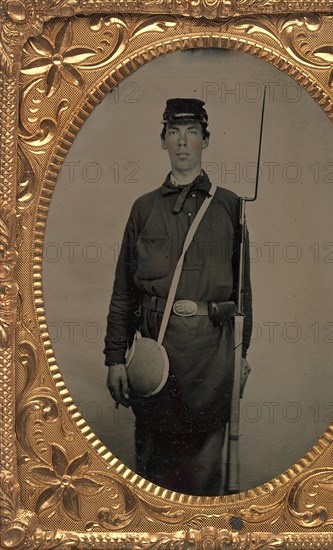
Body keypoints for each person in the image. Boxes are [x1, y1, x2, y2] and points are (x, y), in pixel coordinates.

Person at [104, 98, 252, 496]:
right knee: (153, 478)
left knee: (204, 483)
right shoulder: (143, 209)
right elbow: (123, 290)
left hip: (210, 363)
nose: (182, 142)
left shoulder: (230, 207)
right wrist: (115, 358)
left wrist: (243, 356)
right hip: (154, 363)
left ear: (206, 140)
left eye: (191, 133)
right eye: (174, 133)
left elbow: (244, 294)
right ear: (163, 141)